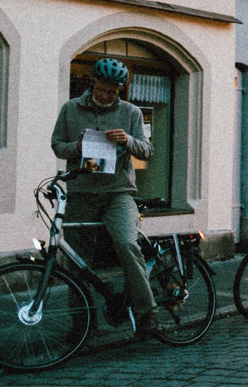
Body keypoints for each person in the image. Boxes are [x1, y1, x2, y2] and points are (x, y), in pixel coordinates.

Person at [50, 58, 156, 330]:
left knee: (126, 244)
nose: (107, 95)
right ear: (93, 83)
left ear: (120, 90)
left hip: (117, 193)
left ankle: (146, 313)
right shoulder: (70, 109)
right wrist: (78, 146)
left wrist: (128, 140)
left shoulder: (130, 112)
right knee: (77, 260)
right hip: (82, 193)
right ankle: (82, 323)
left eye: (113, 91)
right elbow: (57, 145)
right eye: (102, 89)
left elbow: (147, 151)